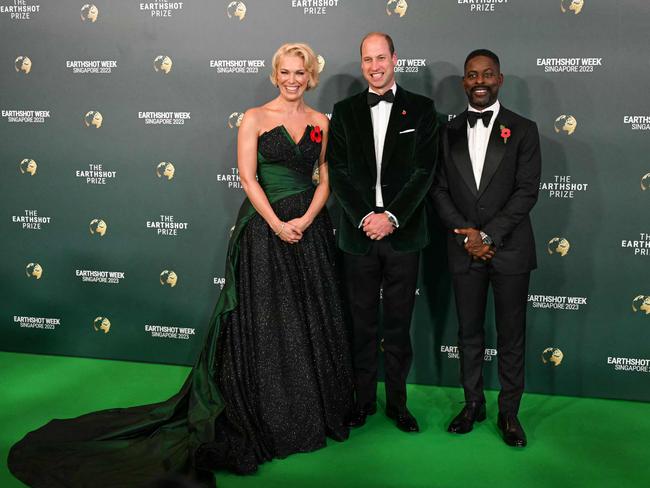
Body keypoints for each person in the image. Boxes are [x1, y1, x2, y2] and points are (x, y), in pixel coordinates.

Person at [9, 42, 354, 487]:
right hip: (265, 231)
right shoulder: (254, 118)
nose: (292, 80)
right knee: (268, 323)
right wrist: (277, 223)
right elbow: (248, 177)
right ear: (275, 75)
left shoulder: (321, 123)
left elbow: (326, 177)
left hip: (309, 232)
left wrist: (305, 220)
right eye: (285, 72)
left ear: (311, 77)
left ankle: (311, 409)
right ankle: (271, 413)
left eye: (299, 73)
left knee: (307, 318)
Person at [327, 32, 438, 433]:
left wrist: (391, 216)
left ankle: (398, 404)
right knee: (361, 323)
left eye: (381, 58)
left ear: (395, 58)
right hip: (358, 236)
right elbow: (336, 171)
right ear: (361, 64)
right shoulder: (344, 111)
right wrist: (364, 217)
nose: (375, 66)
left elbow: (424, 172)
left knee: (397, 323)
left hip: (403, 234)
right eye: (367, 60)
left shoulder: (422, 109)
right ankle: (361, 402)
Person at [430, 49, 541, 447]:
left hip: (508, 249)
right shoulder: (448, 132)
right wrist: (468, 236)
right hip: (463, 248)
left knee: (511, 335)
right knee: (468, 332)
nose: (480, 81)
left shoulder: (523, 129)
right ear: (464, 82)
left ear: (500, 79)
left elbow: (527, 191)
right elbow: (439, 190)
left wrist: (487, 236)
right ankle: (472, 403)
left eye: (487, 74)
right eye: (473, 75)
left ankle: (509, 413)